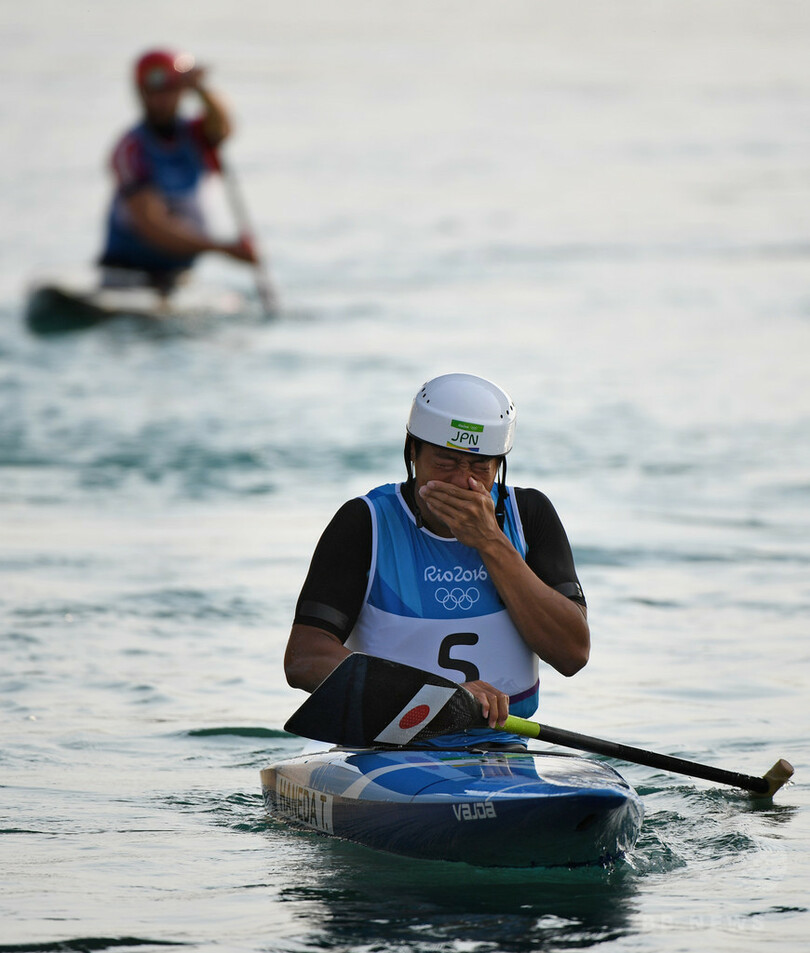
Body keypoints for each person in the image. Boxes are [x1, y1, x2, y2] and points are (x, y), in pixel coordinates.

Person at [284, 373, 590, 749]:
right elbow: (303, 659)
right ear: (413, 452)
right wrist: (439, 696)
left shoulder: (530, 515)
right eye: (445, 462)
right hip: (387, 749)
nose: (462, 482)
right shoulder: (365, 523)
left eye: (480, 467)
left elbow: (573, 654)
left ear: (499, 464)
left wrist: (491, 543)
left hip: (504, 747)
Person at [98, 48, 257, 289]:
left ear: (181, 93)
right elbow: (153, 225)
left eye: (171, 91)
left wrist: (200, 88)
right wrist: (221, 249)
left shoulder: (194, 135)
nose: (163, 100)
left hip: (179, 278)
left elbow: (222, 126)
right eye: (154, 92)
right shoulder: (130, 149)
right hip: (127, 276)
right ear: (140, 93)